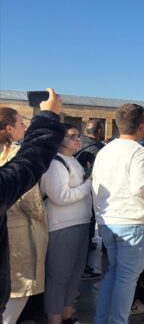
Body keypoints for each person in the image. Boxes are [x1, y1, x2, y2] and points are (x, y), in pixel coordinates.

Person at [92, 103, 144, 323]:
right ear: (143, 125)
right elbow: (141, 188)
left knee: (114, 273)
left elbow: (96, 183)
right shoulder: (138, 152)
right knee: (127, 278)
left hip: (108, 219)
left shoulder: (106, 150)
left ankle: (102, 319)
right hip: (132, 220)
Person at [0, 88, 63, 318]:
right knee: (18, 295)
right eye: (20, 124)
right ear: (8, 128)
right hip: (18, 234)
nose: (24, 128)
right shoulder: (14, 152)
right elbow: (30, 195)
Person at [39, 123, 92, 324]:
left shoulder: (73, 161)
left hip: (79, 223)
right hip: (62, 226)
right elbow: (60, 196)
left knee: (75, 274)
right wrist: (88, 184)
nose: (78, 139)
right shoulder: (55, 163)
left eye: (78, 135)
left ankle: (67, 315)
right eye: (72, 136)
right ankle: (55, 319)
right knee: (59, 277)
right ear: (59, 139)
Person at [74, 119, 106, 280]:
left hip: (75, 193)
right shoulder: (97, 150)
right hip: (89, 193)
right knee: (87, 229)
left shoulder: (76, 144)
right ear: (99, 131)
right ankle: (83, 266)